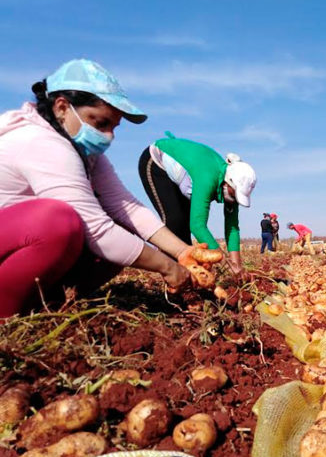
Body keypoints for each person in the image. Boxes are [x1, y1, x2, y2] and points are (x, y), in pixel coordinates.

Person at [0, 59, 193, 317]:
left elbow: (125, 206)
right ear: (62, 108)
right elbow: (98, 230)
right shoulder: (40, 142)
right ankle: (6, 314)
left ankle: (47, 305)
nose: (109, 136)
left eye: (113, 127)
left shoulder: (85, 153)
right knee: (57, 223)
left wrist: (183, 251)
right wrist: (169, 268)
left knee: (123, 230)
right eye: (100, 123)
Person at [138, 132, 256, 277]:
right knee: (175, 221)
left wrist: (237, 267)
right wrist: (225, 264)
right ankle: (170, 276)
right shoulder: (207, 179)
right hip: (156, 160)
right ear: (228, 182)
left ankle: (187, 275)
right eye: (234, 194)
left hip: (183, 176)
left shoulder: (232, 192)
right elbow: (198, 226)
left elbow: (232, 228)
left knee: (185, 226)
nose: (234, 199)